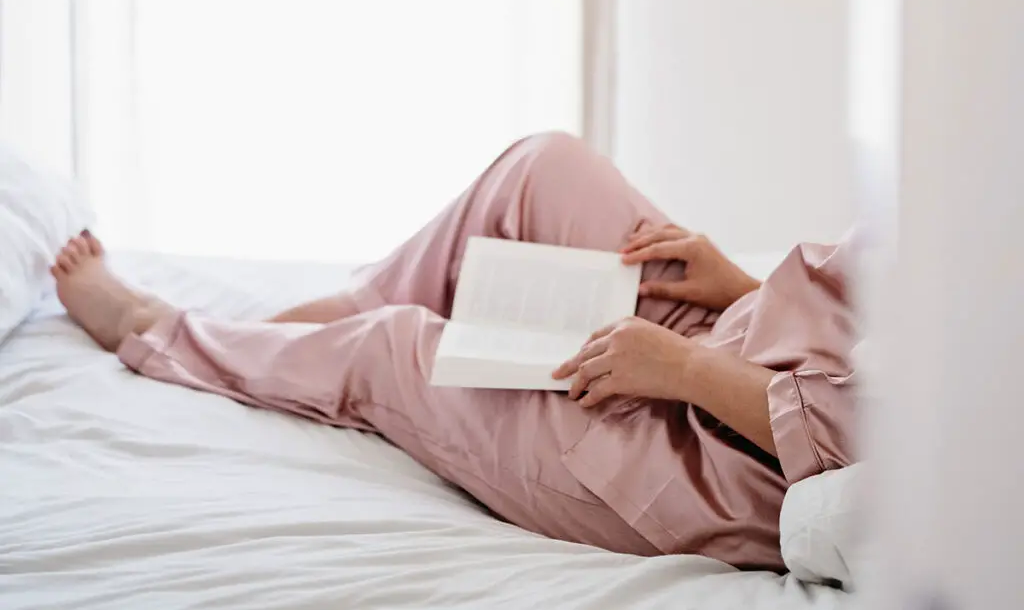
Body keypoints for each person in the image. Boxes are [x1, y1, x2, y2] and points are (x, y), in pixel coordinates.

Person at [52, 132, 857, 572]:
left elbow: (859, 433)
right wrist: (740, 286)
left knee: (393, 348)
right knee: (541, 171)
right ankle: (360, 297)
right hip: (738, 339)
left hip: (707, 459)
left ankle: (152, 327)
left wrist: (680, 369)